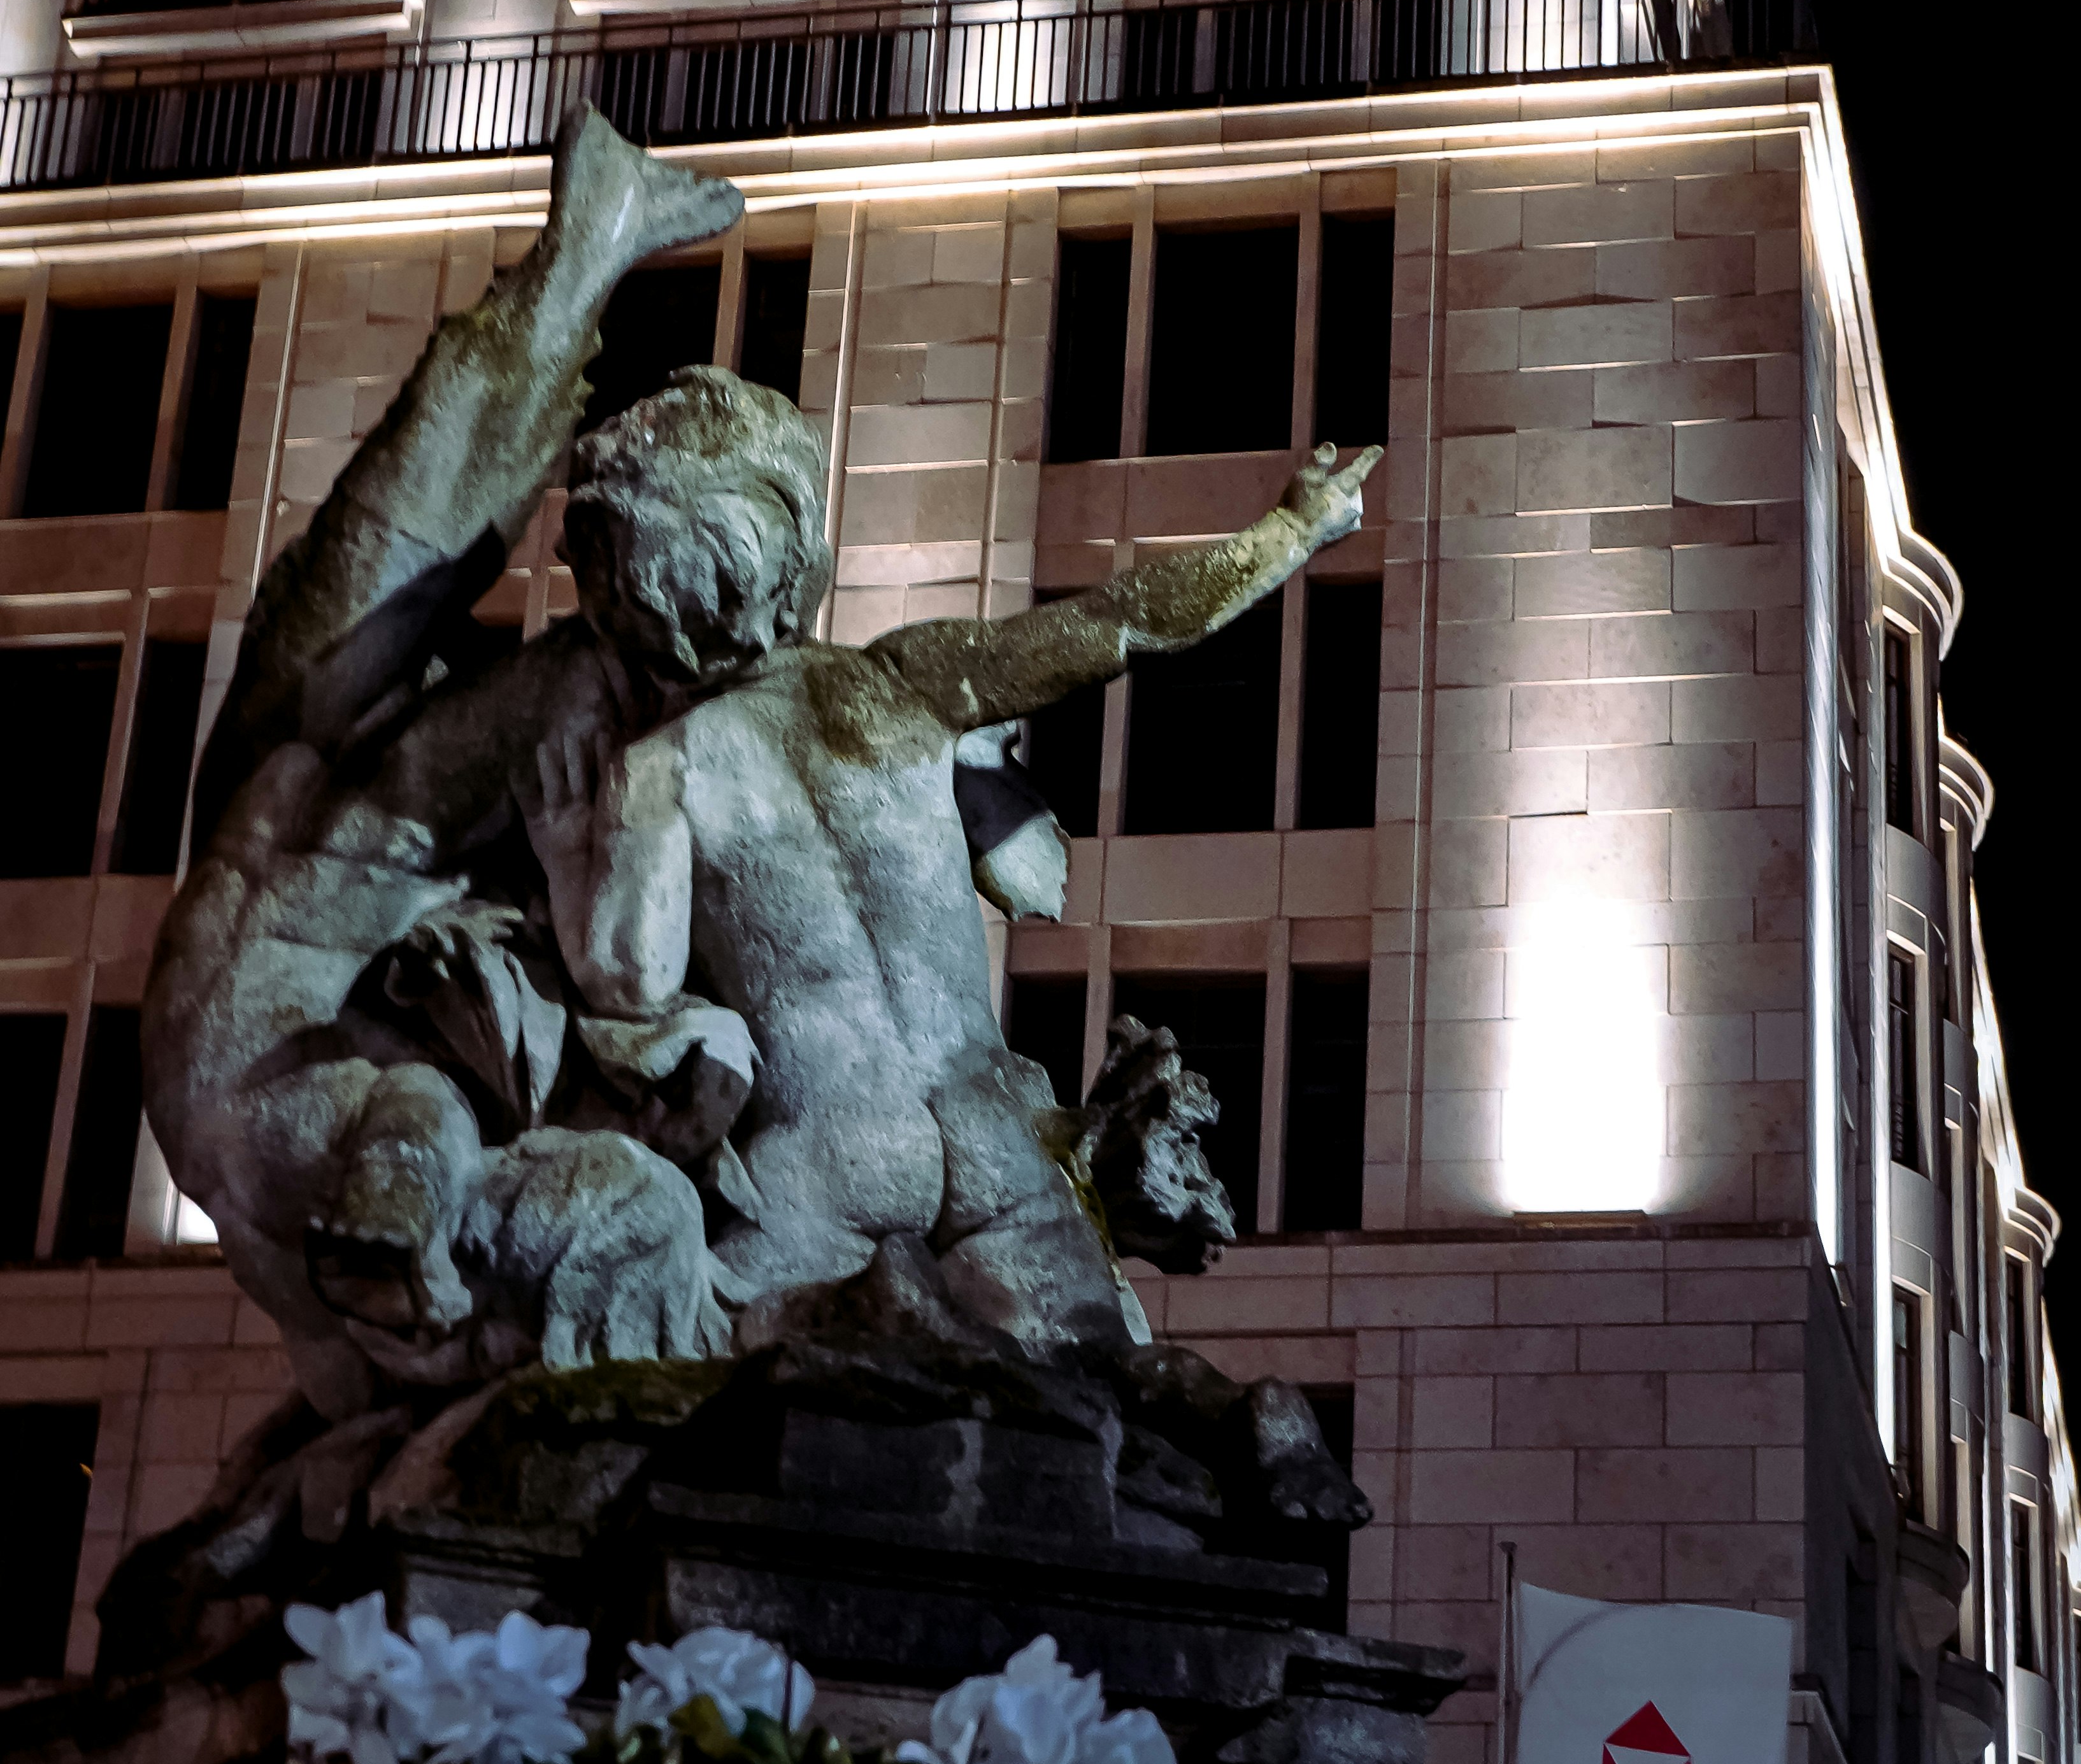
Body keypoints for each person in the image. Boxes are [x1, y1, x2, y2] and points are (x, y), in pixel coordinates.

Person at [145, 105, 1377, 1421]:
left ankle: (874, 1336)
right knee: (1106, 1374)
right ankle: (1243, 1425)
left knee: (705, 1350)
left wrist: (571, 866)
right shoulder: (897, 686)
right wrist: (1290, 532)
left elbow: (624, 978)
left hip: (830, 1151)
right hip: (990, 1126)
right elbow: (1121, 622)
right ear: (790, 551)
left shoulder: (663, 764)